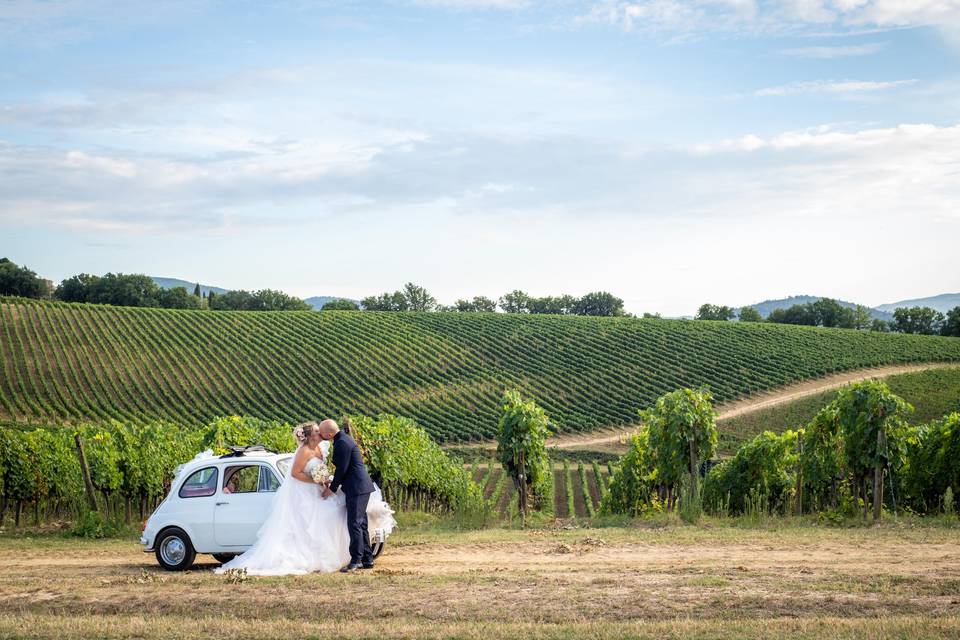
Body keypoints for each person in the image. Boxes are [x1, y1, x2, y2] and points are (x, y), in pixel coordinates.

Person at [215, 422, 351, 576]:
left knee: (329, 516)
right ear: (308, 436)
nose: (319, 431)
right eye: (315, 430)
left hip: (319, 489)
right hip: (305, 492)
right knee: (307, 525)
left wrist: (324, 479)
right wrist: (315, 480)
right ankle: (309, 558)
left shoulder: (320, 448)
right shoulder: (304, 451)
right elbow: (295, 473)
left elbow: (321, 469)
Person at [319, 418, 376, 572]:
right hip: (359, 487)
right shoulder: (342, 439)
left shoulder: (342, 443)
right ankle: (367, 559)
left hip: (356, 487)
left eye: (322, 433)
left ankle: (356, 560)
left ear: (329, 434)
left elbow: (341, 469)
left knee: (354, 524)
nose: (320, 435)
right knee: (361, 524)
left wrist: (332, 487)